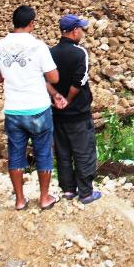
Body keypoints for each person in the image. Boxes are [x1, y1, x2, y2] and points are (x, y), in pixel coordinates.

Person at [0, 5, 62, 211]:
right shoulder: (38, 46)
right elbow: (54, 77)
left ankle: (20, 200)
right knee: (44, 152)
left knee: (16, 154)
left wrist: (8, 75)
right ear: (32, 24)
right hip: (38, 107)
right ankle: (45, 198)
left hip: (13, 110)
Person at [49, 14, 102, 205]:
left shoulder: (50, 52)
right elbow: (78, 81)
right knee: (84, 151)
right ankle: (86, 192)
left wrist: (57, 97)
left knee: (63, 152)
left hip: (57, 112)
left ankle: (68, 190)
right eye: (80, 28)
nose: (82, 31)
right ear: (73, 31)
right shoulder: (80, 53)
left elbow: (45, 79)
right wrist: (68, 99)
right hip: (78, 112)